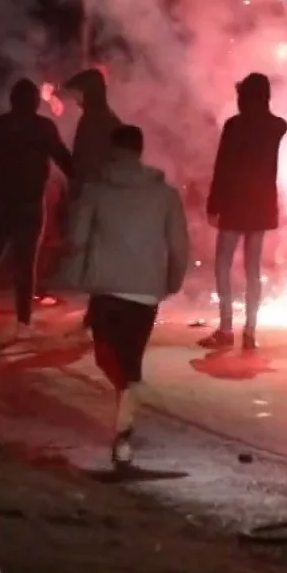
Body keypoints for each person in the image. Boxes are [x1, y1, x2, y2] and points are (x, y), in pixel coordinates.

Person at [64, 124, 191, 466]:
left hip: (106, 288)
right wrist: (172, 281)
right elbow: (180, 246)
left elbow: (76, 237)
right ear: (140, 150)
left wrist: (74, 272)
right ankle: (124, 426)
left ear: (113, 150)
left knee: (109, 360)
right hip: (146, 293)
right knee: (129, 363)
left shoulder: (95, 190)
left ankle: (124, 431)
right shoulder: (165, 194)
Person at [0, 78, 75, 341]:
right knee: (25, 265)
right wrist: (84, 176)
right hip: (28, 204)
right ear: (34, 102)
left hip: (2, 202)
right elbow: (64, 159)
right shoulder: (43, 128)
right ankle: (23, 323)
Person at [203, 73, 287, 352]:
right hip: (261, 204)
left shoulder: (234, 126)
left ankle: (226, 327)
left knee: (223, 264)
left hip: (235, 203)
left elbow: (222, 166)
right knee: (253, 269)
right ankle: (250, 331)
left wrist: (213, 204)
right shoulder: (276, 126)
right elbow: (277, 123)